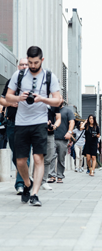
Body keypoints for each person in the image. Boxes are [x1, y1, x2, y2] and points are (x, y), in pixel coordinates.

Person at [6, 46, 60, 206]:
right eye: (30, 62)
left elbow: (58, 100)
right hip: (21, 123)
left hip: (39, 123)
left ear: (41, 60)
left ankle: (35, 194)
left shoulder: (50, 76)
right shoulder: (19, 75)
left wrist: (42, 99)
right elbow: (8, 96)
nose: (32, 65)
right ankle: (27, 184)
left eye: (35, 62)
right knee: (20, 161)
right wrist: (18, 98)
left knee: (38, 158)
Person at [0, 58, 29, 195]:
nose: (24, 66)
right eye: (22, 64)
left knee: (24, 153)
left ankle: (20, 184)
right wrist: (11, 103)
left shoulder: (33, 83)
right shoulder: (11, 82)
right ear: (18, 66)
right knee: (16, 154)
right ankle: (25, 175)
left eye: (26, 64)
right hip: (12, 122)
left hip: (28, 123)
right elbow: (2, 99)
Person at [48, 96, 75, 183]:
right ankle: (52, 175)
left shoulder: (68, 111)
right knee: (51, 157)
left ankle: (60, 176)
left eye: (60, 98)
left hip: (63, 138)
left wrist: (69, 132)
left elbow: (72, 122)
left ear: (63, 100)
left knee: (61, 158)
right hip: (51, 136)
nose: (58, 100)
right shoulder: (50, 109)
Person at [41, 104, 61, 190]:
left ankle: (44, 181)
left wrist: (54, 126)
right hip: (37, 133)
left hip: (50, 134)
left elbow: (58, 118)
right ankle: (34, 180)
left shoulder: (53, 104)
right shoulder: (36, 100)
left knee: (48, 158)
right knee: (37, 157)